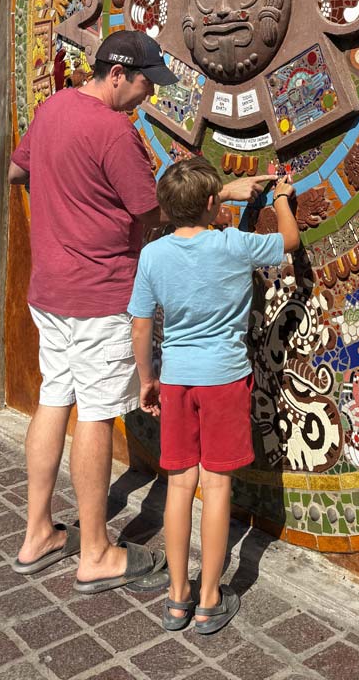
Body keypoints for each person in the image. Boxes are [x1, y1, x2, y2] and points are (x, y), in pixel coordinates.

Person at [8, 30, 272, 593]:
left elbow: (17, 172)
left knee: (54, 398)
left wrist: (64, 201)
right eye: (147, 83)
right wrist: (221, 195)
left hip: (49, 288)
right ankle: (96, 551)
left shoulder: (53, 107)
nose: (148, 95)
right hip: (99, 292)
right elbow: (155, 211)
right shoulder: (113, 132)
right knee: (97, 414)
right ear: (119, 74)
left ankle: (35, 534)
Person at [128, 155, 299, 634]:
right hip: (224, 378)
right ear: (212, 203)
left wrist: (148, 378)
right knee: (217, 486)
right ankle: (209, 599)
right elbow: (289, 241)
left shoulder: (153, 255)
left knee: (179, 487)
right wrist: (282, 198)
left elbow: (141, 326)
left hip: (178, 380)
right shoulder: (233, 245)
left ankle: (176, 597)